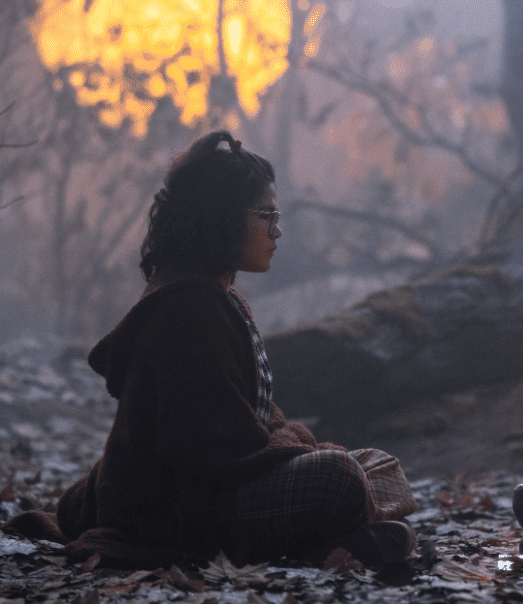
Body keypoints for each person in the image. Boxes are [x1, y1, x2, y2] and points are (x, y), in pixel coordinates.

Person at [3, 131, 417, 574]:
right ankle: (346, 544)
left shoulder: (223, 300)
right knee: (341, 478)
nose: (277, 231)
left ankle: (345, 543)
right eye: (266, 216)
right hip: (187, 511)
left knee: (379, 465)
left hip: (234, 484)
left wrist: (290, 443)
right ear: (223, 218)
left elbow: (253, 417)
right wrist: (298, 451)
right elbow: (210, 453)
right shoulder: (185, 311)